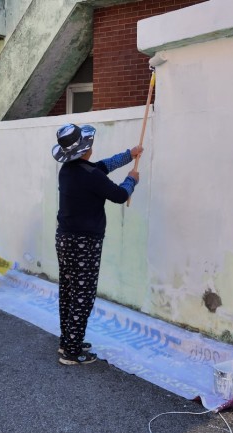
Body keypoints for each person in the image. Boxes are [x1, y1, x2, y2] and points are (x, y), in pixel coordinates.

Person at [52, 123, 141, 365]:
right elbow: (119, 195)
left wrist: (128, 155)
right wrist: (131, 180)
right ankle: (72, 351)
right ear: (86, 149)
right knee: (83, 294)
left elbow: (102, 167)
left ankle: (68, 340)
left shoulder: (69, 170)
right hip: (85, 242)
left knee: (69, 290)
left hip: (65, 238)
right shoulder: (89, 176)